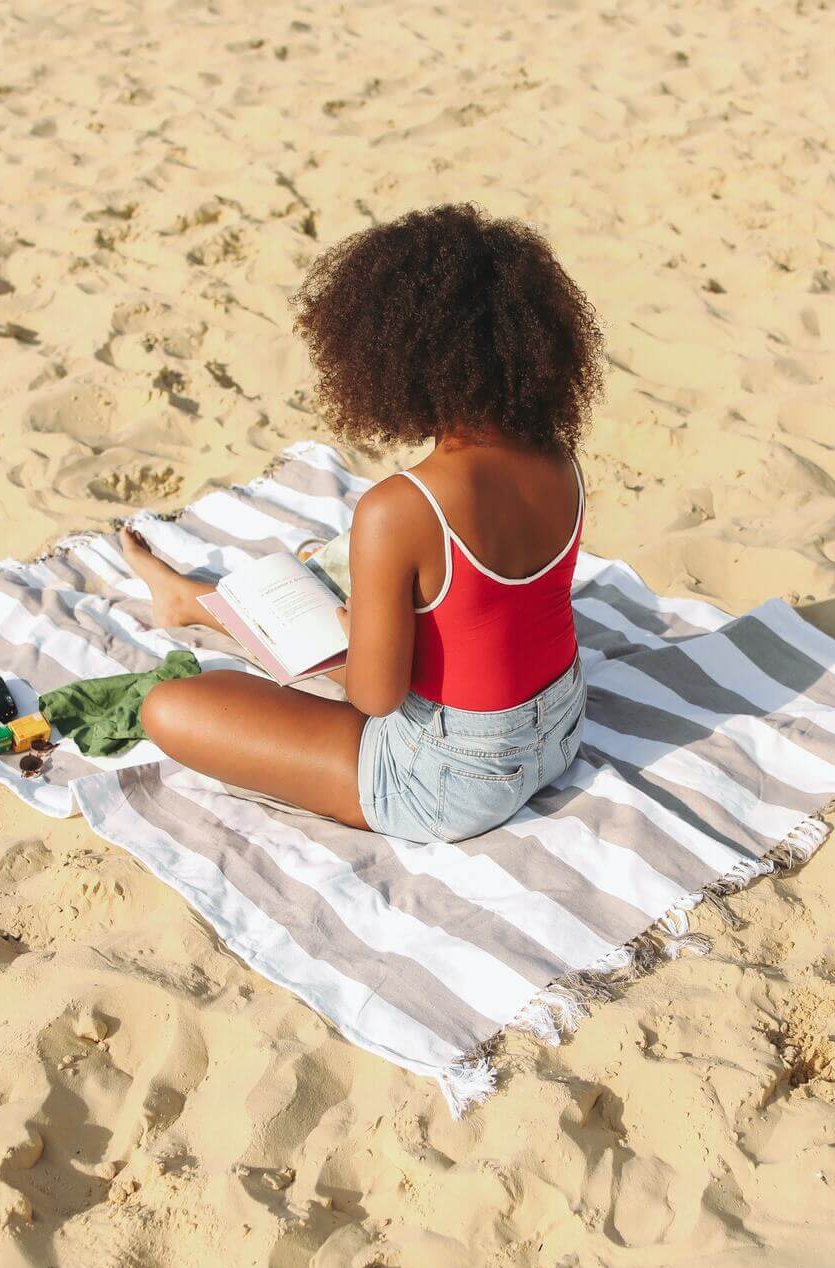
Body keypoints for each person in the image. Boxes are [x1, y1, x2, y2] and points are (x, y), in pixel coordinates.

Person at [118, 203, 603, 842]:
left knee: (173, 707)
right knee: (363, 606)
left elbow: (375, 698)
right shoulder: (558, 458)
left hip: (451, 783)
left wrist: (352, 628)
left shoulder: (401, 508)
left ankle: (206, 604)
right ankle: (193, 602)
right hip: (562, 728)